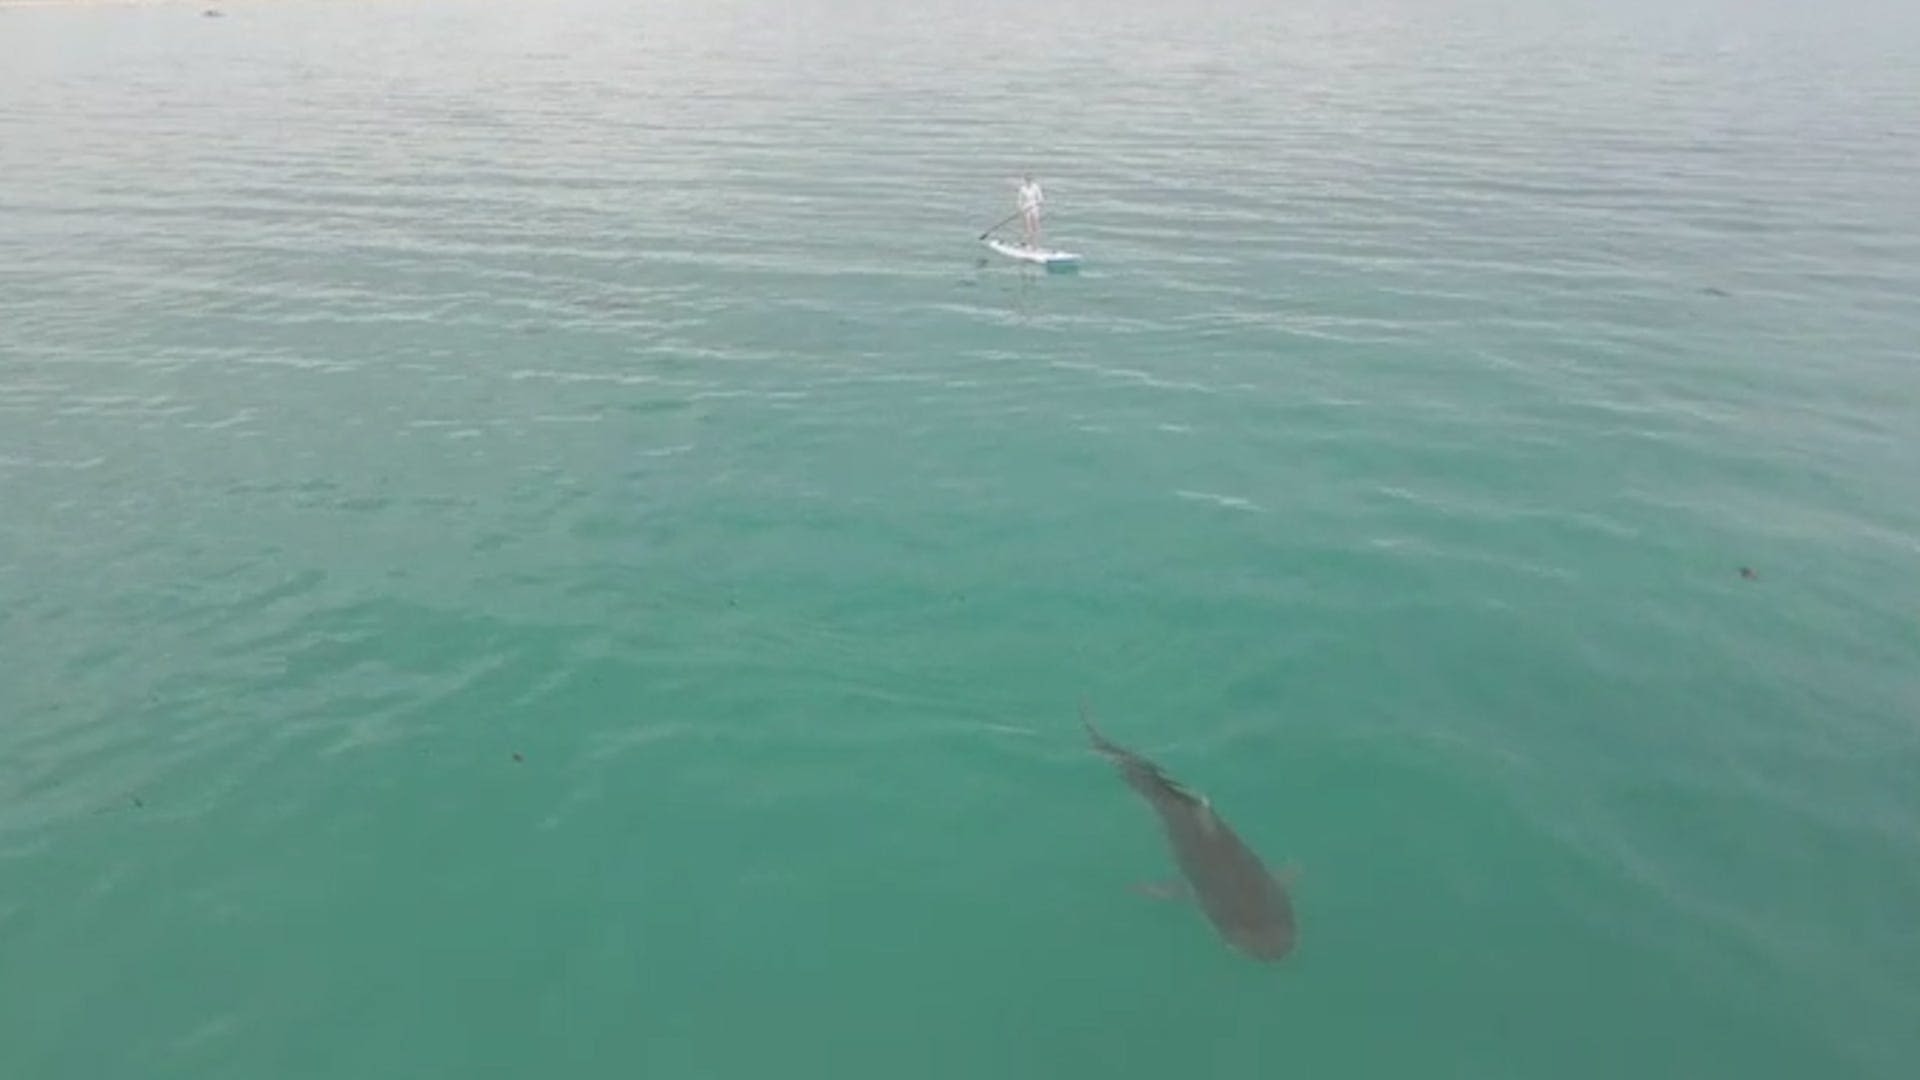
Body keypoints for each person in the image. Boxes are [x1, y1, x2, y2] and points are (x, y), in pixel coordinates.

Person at [1016, 173, 1045, 247]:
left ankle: (1036, 245)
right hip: (1026, 208)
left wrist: (1038, 203)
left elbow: (1041, 198)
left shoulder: (1036, 187)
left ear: (1032, 180)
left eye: (1030, 179)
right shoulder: (1022, 188)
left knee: (1036, 227)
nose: (1028, 181)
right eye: (1027, 179)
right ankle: (1029, 244)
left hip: (1034, 208)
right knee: (1028, 228)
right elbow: (1019, 200)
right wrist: (1020, 208)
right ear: (1025, 180)